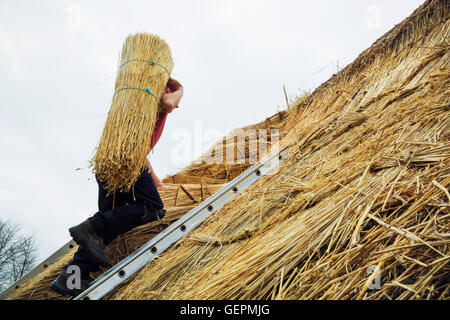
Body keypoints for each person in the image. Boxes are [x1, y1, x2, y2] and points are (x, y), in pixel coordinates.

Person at [50, 78, 184, 297]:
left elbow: (142, 153)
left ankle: (72, 277)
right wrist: (180, 89)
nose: (177, 105)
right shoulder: (156, 99)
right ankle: (92, 226)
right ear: (165, 89)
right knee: (152, 207)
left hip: (109, 159)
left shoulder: (134, 107)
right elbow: (169, 104)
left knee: (109, 221)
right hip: (128, 160)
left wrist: (157, 182)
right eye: (175, 96)